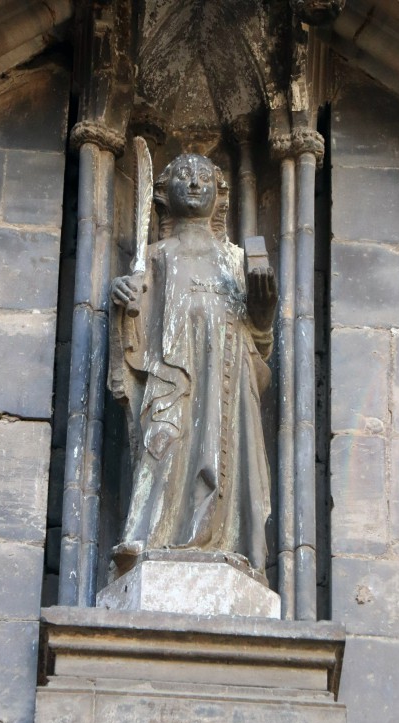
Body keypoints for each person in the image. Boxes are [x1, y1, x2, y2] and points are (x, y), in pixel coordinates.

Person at [109, 153, 276, 574]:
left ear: (220, 193)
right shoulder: (155, 256)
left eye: (204, 177)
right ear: (165, 192)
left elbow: (260, 339)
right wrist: (125, 305)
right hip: (171, 372)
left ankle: (225, 543)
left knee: (224, 456)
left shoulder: (236, 259)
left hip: (227, 374)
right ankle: (147, 538)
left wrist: (263, 310)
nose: (195, 184)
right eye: (184, 176)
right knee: (162, 441)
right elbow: (135, 330)